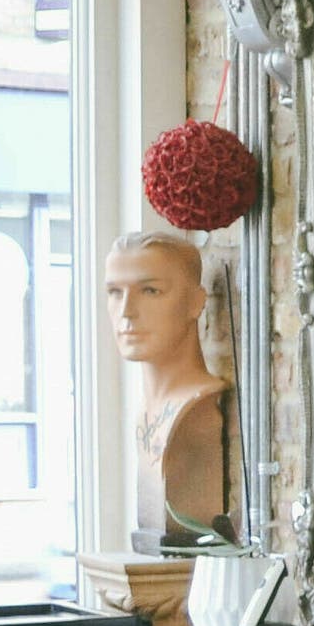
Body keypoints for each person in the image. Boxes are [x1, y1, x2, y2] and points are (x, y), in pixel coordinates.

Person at [108, 231, 234, 550]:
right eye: (115, 292)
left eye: (150, 290)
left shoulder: (197, 408)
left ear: (196, 303)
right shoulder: (145, 412)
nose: (126, 311)